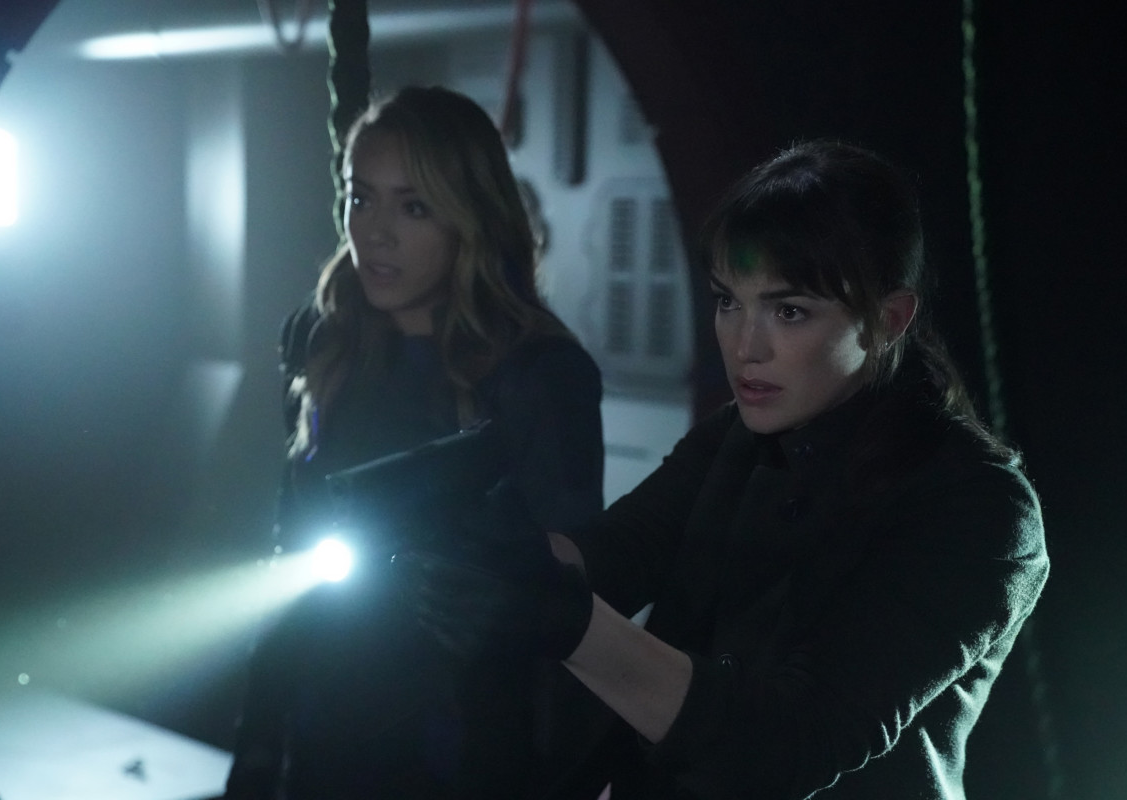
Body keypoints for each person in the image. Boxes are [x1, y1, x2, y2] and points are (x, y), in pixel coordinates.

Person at [398, 140, 1050, 798]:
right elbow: (616, 552)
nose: (744, 346)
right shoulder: (734, 437)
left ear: (887, 319)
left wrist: (569, 624)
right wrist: (479, 542)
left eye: (789, 311)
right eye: (728, 301)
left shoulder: (979, 507)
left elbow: (791, 743)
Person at [222, 85, 604, 799]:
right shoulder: (324, 341)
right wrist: (258, 747)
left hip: (460, 745)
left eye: (414, 207)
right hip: (324, 724)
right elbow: (290, 551)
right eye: (360, 198)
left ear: (469, 217)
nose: (375, 232)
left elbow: (575, 600)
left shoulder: (539, 377)